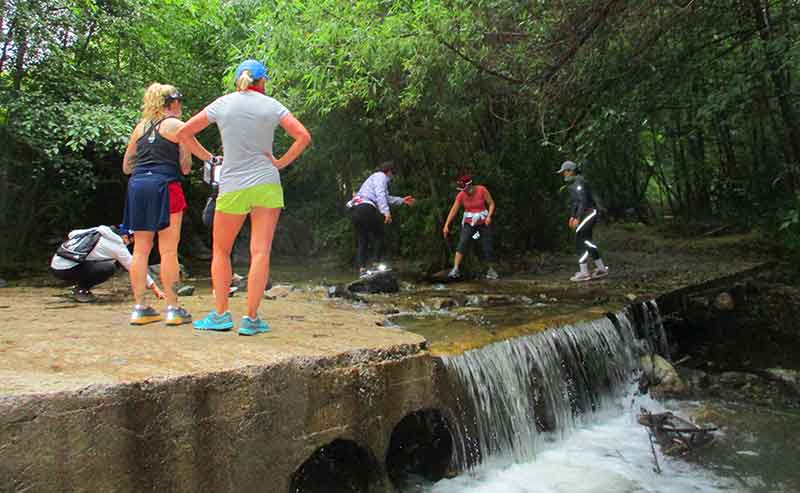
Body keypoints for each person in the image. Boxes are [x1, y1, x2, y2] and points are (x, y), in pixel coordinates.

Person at [177, 59, 311, 336]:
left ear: (239, 79)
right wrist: (280, 162)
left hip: (233, 184)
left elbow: (183, 132)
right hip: (267, 184)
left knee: (221, 251)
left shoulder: (223, 103)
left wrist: (209, 158)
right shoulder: (272, 105)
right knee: (260, 251)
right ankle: (251, 318)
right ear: (262, 81)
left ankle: (221, 315)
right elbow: (303, 136)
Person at [122, 82, 218, 325]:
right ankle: (173, 309)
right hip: (166, 187)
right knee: (167, 250)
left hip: (138, 187)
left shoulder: (140, 127)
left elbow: (126, 166)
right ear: (173, 103)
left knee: (141, 249)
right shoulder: (175, 125)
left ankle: (139, 308)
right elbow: (186, 167)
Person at [51, 225, 164, 303]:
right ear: (125, 237)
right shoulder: (117, 246)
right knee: (108, 267)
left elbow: (72, 234)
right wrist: (156, 289)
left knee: (108, 260)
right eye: (132, 240)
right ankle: (81, 289)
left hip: (55, 264)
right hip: (65, 269)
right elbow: (135, 268)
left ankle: (79, 286)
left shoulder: (98, 231)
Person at [347, 161, 415, 276]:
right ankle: (376, 265)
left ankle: (362, 270)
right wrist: (386, 212)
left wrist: (402, 200)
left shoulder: (372, 179)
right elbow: (380, 195)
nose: (392, 178)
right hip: (366, 208)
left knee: (362, 240)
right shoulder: (381, 176)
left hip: (355, 210)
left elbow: (386, 197)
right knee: (379, 235)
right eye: (392, 175)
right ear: (388, 172)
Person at [556, 160, 609, 282]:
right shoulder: (574, 183)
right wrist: (572, 216)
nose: (564, 174)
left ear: (570, 171)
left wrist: (578, 218)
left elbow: (583, 201)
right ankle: (601, 268)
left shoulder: (579, 181)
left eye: (564, 172)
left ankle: (584, 272)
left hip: (589, 212)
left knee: (580, 239)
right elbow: (575, 203)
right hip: (586, 213)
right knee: (586, 241)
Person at [442, 175, 498, 280]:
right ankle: (455, 269)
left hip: (483, 223)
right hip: (469, 223)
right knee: (463, 241)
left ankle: (490, 270)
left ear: (469, 186)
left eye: (464, 188)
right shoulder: (461, 195)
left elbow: (491, 204)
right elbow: (454, 210)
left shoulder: (482, 190)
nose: (463, 191)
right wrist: (446, 225)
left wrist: (489, 216)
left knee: (487, 246)